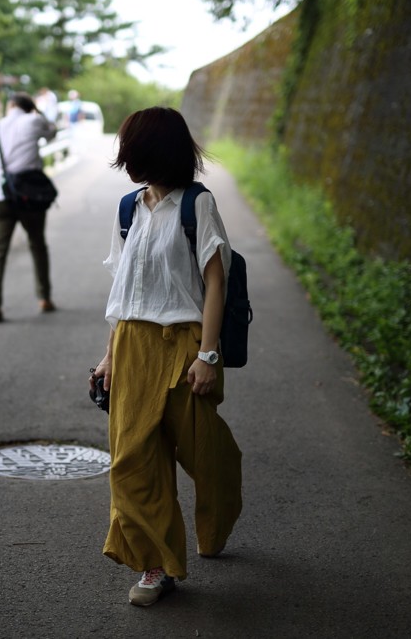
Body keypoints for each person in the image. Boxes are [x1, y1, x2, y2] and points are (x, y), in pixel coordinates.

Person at [90, 107, 243, 607]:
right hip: (133, 346)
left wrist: (208, 355)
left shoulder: (196, 205)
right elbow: (123, 292)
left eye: (136, 154)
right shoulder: (128, 208)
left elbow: (216, 281)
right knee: (131, 460)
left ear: (161, 153)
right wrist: (109, 356)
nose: (127, 163)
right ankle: (157, 567)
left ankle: (218, 514)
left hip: (184, 344)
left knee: (205, 454)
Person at [0, 92, 58, 322]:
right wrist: (39, 112)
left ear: (10, 105)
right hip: (29, 196)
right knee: (37, 244)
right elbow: (52, 133)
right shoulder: (34, 120)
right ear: (29, 107)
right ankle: (44, 298)